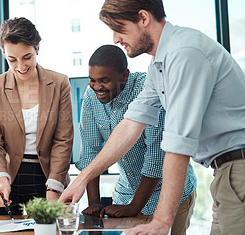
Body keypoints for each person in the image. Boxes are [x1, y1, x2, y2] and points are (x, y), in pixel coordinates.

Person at [59, 0, 245, 235]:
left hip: (239, 169)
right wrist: (82, 180)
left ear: (143, 18)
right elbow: (130, 125)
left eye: (120, 28)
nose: (115, 38)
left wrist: (161, 220)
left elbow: (177, 143)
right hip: (227, 173)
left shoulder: (184, 53)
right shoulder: (161, 63)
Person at [76, 45, 196, 234]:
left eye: (104, 80)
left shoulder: (148, 90)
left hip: (169, 192)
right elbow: (91, 152)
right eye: (93, 80)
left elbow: (156, 157)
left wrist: (134, 207)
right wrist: (95, 205)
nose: (97, 87)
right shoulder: (91, 96)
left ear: (125, 75)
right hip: (126, 193)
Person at [0, 17, 73, 215]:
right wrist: (2, 180)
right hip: (3, 178)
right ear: (4, 55)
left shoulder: (59, 83)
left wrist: (54, 187)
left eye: (27, 57)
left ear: (38, 48)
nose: (20, 66)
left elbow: (63, 140)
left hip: (47, 177)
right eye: (12, 60)